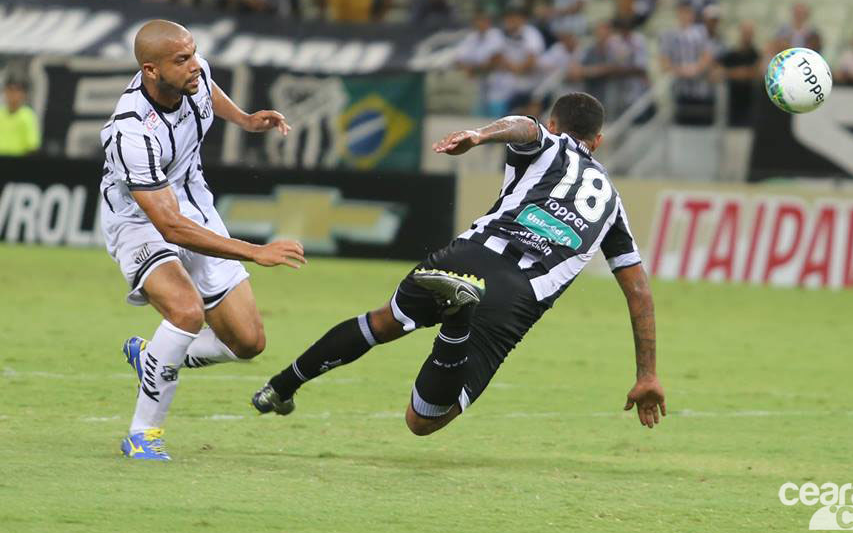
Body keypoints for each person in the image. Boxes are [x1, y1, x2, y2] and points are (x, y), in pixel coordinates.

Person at [252, 93, 666, 435]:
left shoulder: (547, 141)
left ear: (555, 125)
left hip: (466, 256)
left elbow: (524, 126)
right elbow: (638, 290)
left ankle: (281, 386)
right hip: (516, 293)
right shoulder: (612, 204)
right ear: (598, 142)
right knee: (424, 420)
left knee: (382, 322)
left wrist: (480, 134)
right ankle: (458, 320)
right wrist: (646, 374)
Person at [101, 20, 306, 460]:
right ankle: (143, 434)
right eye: (183, 60)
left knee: (248, 342)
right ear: (151, 71)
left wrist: (247, 120)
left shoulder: (192, 74)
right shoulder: (131, 131)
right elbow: (169, 227)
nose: (195, 65)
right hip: (140, 220)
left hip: (195, 205)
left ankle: (156, 356)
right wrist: (256, 251)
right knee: (186, 310)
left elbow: (208, 90)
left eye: (194, 53)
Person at [0, 79, 40, 156]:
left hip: (19, 163)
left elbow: (32, 146)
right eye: (9, 90)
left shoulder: (28, 116)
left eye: (16, 91)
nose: (12, 95)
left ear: (23, 94)